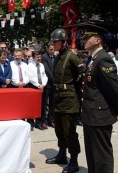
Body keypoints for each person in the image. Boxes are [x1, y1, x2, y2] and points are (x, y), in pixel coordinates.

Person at [81, 25, 118, 173]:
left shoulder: (104, 59)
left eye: (87, 38)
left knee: (102, 156)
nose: (84, 40)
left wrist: (117, 109)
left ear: (97, 40)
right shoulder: (93, 59)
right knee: (92, 155)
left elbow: (113, 89)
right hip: (91, 114)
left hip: (100, 115)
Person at [45, 28, 85, 173]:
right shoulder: (59, 56)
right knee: (60, 130)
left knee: (70, 132)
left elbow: (84, 74)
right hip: (58, 99)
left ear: (63, 42)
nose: (53, 44)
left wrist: (78, 90)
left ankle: (74, 161)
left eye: (55, 42)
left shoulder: (72, 57)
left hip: (69, 100)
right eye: (53, 42)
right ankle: (62, 154)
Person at [27, 51, 48, 130]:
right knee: (32, 105)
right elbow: (31, 77)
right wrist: (38, 85)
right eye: (37, 57)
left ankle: (39, 122)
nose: (39, 59)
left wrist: (43, 84)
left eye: (40, 57)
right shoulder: (30, 66)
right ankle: (31, 123)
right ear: (33, 58)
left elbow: (44, 76)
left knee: (41, 105)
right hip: (34, 87)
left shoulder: (41, 65)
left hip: (42, 87)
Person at [41, 43, 55, 128]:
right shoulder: (44, 57)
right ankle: (43, 120)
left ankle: (51, 120)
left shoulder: (55, 57)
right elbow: (47, 70)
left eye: (53, 50)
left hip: (53, 84)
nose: (53, 51)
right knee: (44, 103)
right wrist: (54, 79)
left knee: (52, 103)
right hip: (47, 83)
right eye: (51, 50)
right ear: (47, 49)